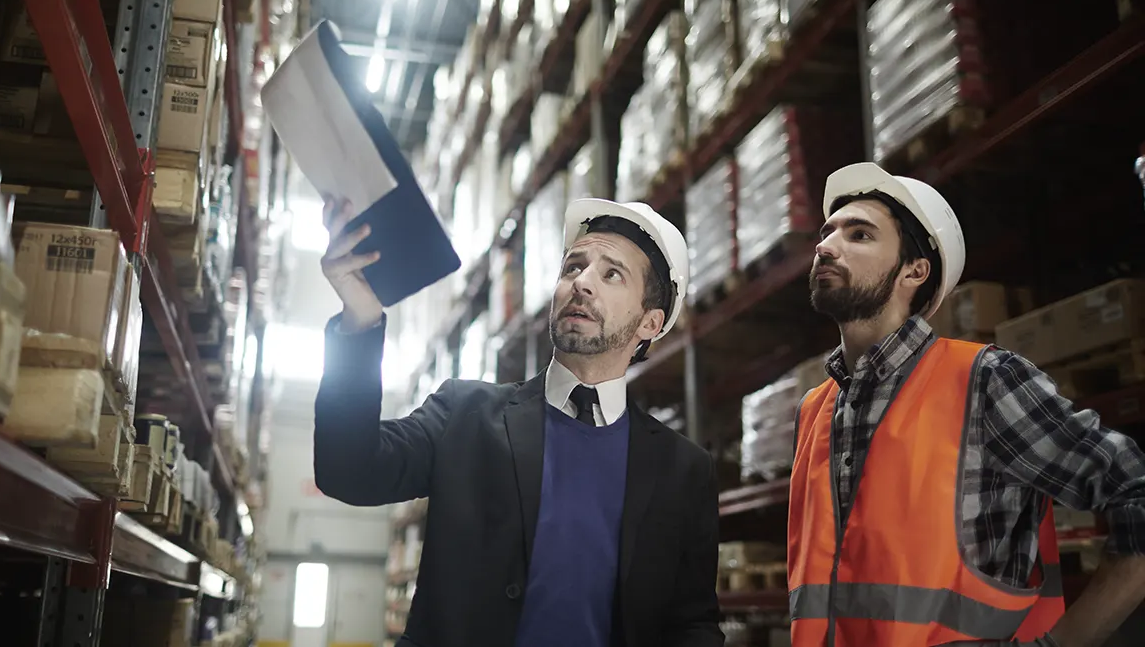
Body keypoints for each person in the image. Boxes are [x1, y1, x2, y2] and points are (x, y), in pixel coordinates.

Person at [314, 196, 725, 647]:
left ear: (650, 322)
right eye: (573, 267)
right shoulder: (464, 414)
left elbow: (693, 623)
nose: (581, 283)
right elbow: (349, 470)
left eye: (611, 274)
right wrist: (359, 320)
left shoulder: (683, 471)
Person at [788, 161, 1145, 647]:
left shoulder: (985, 382)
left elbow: (1135, 492)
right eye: (828, 231)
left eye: (860, 235)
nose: (826, 246)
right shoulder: (815, 410)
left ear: (914, 271)